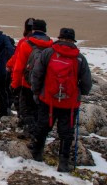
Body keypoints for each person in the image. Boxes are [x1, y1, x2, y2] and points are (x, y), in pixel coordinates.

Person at [30, 27, 93, 172]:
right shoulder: (79, 58)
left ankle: (37, 154)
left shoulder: (48, 53)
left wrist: (36, 92)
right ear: (72, 40)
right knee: (66, 132)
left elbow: (37, 74)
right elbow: (86, 83)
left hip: (48, 99)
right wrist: (80, 92)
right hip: (69, 102)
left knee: (43, 126)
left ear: (59, 38)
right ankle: (63, 163)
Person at [8, 18, 52, 141]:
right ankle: (39, 136)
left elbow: (18, 67)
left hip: (27, 84)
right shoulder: (52, 46)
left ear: (33, 30)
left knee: (26, 110)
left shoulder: (26, 44)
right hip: (44, 86)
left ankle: (30, 135)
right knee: (40, 111)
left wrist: (14, 84)